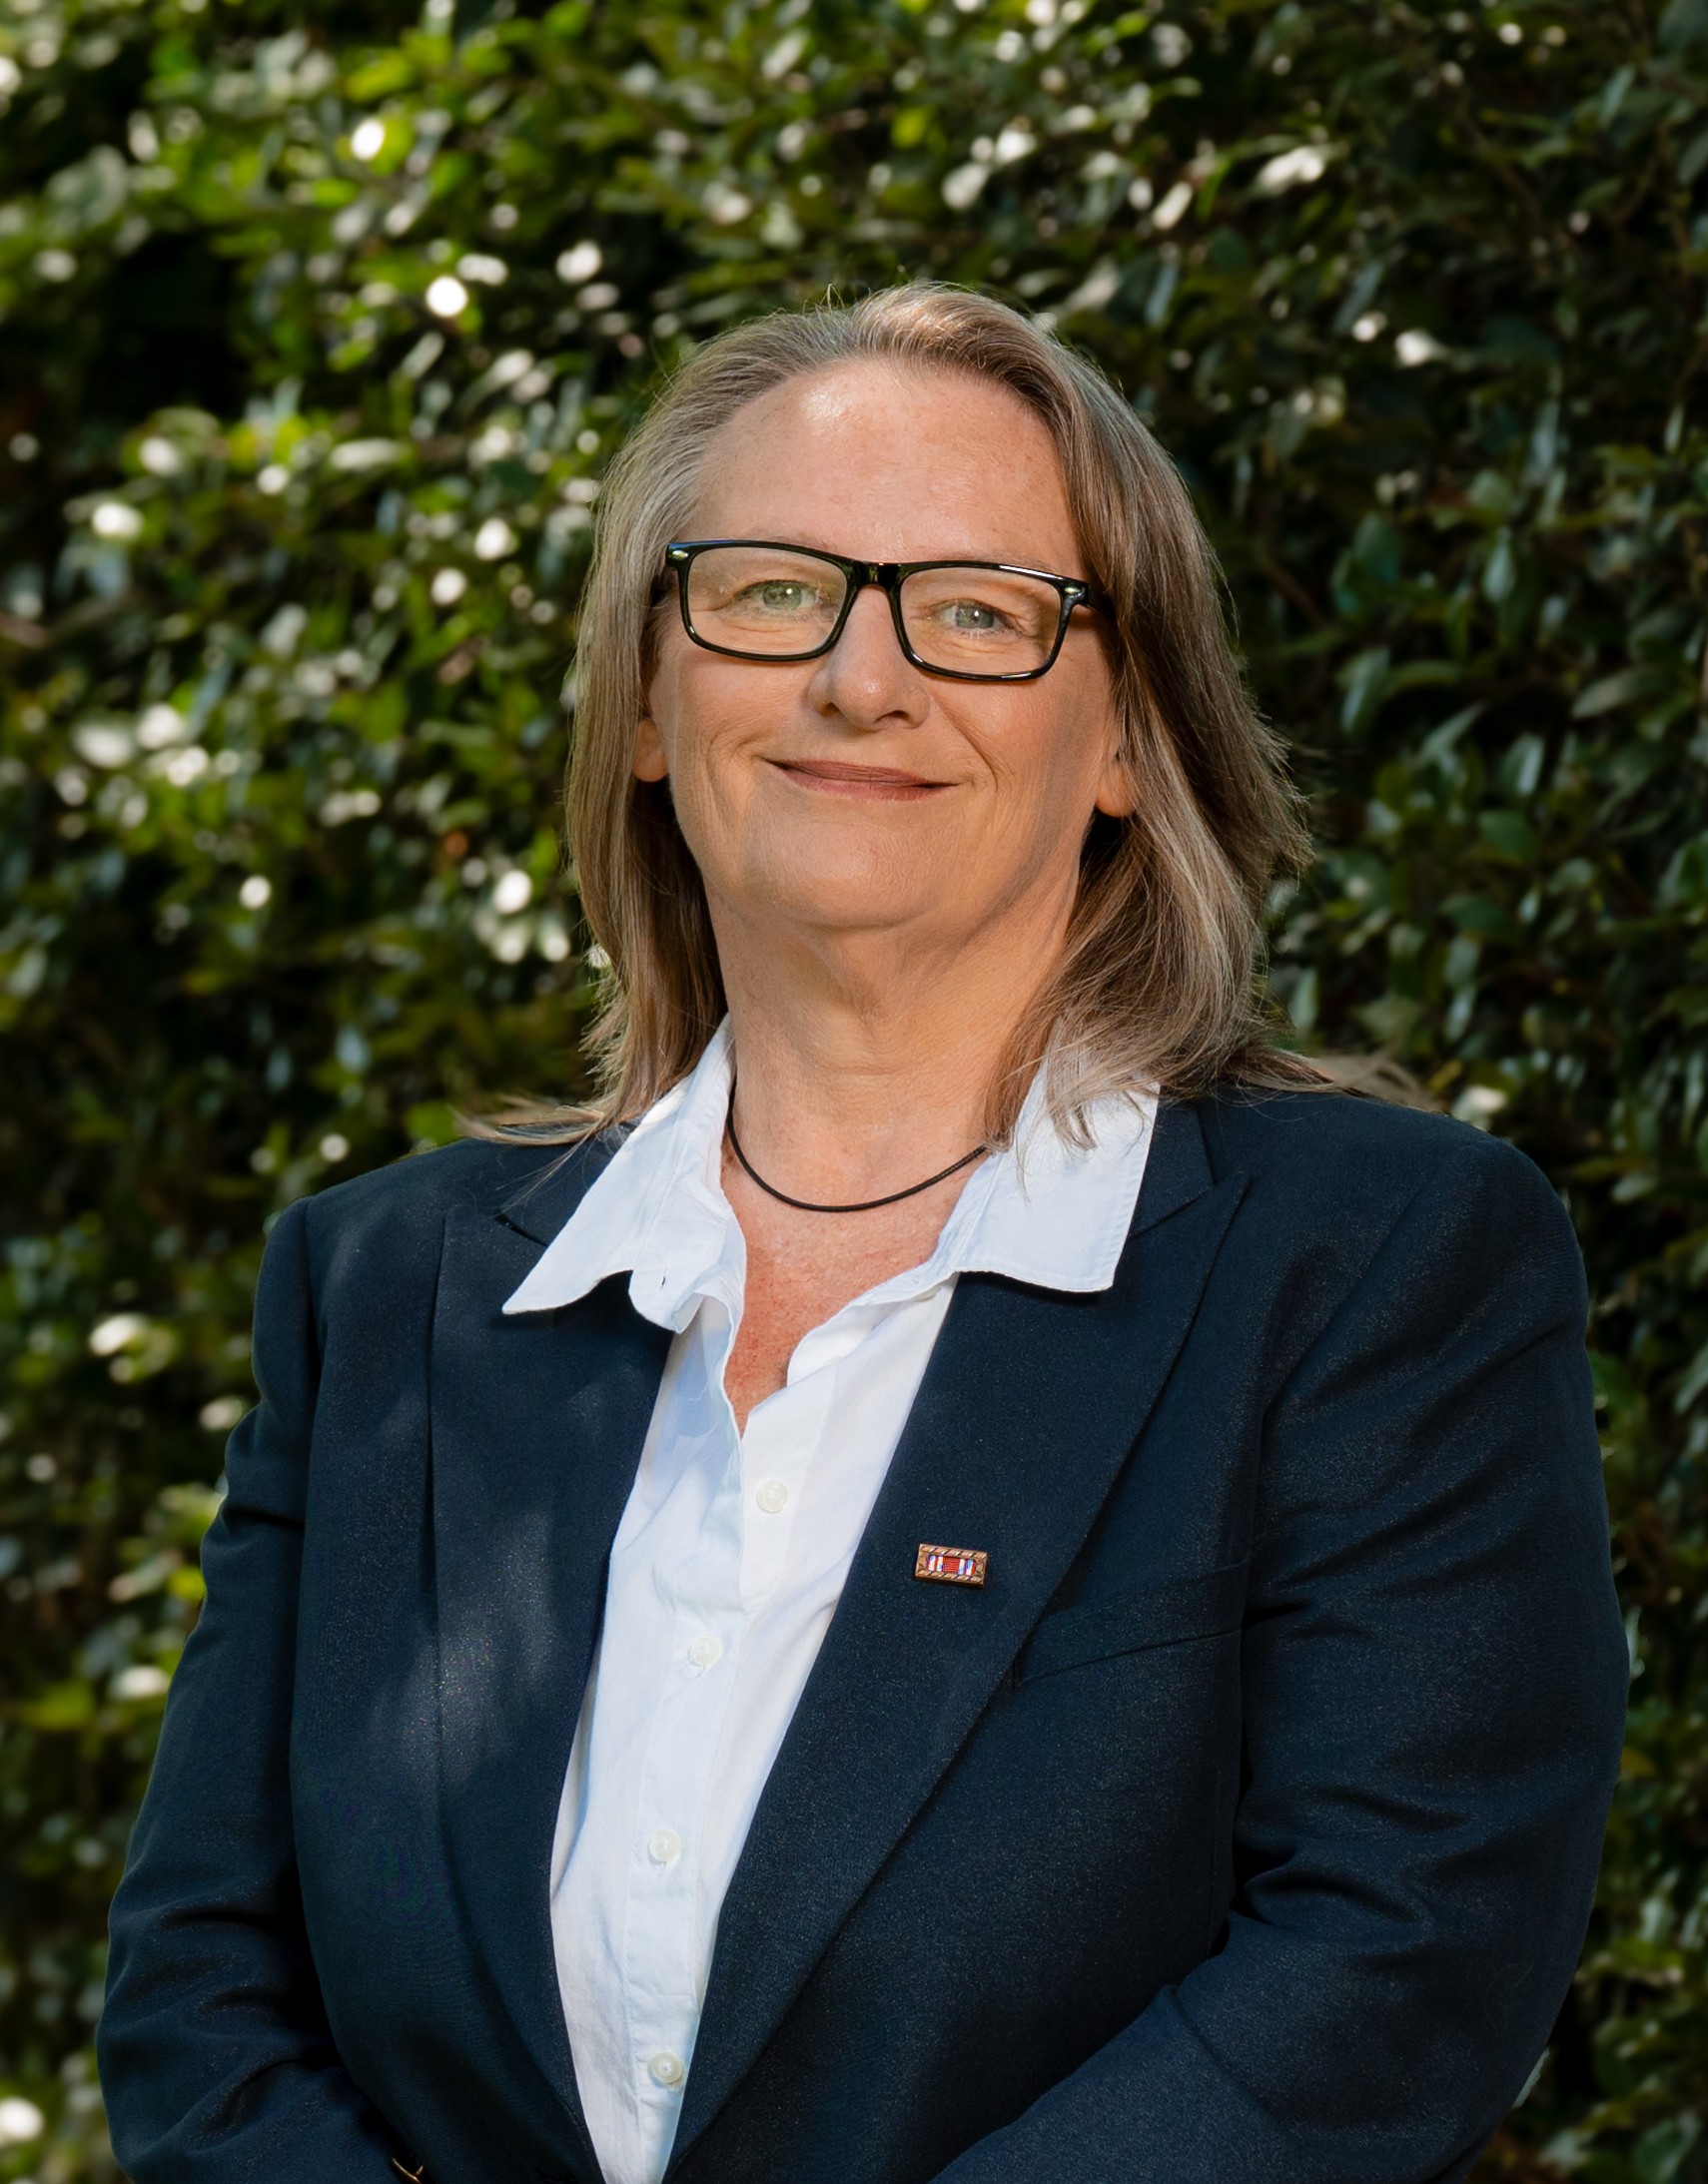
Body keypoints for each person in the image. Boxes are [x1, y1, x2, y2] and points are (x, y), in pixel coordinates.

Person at [97, 283, 1627, 2184]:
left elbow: (1391, 1967)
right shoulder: (383, 1289)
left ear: (1130, 741)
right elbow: (201, 1997)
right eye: (768, 591)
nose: (859, 677)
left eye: (978, 612)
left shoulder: (1375, 1263)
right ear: (652, 703)